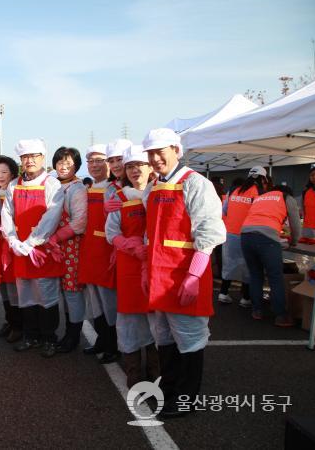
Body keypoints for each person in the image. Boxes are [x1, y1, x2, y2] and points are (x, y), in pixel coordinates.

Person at [141, 128, 225, 418]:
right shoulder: (152, 187)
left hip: (184, 275)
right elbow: (149, 235)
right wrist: (145, 270)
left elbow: (209, 233)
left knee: (189, 338)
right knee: (163, 336)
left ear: (176, 149)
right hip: (158, 276)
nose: (154, 158)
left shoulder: (196, 184)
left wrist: (193, 276)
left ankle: (186, 397)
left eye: (159, 151)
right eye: (150, 153)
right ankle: (169, 388)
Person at [1, 139, 65, 358]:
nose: (29, 161)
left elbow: (51, 217)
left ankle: (49, 338)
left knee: (46, 296)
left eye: (34, 157)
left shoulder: (51, 184)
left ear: (42, 158)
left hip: (41, 250)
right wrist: (13, 241)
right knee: (26, 295)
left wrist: (30, 243)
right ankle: (31, 336)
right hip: (19, 249)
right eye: (25, 157)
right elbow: (6, 214)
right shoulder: (13, 184)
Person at [105, 145, 159, 387]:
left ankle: (157, 370)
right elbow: (111, 233)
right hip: (129, 266)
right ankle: (134, 371)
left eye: (140, 165)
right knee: (129, 319)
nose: (135, 170)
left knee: (157, 318)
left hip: (156, 264)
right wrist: (129, 244)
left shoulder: (158, 193)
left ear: (150, 167)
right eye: (130, 166)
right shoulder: (120, 197)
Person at [79, 144, 120, 364]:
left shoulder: (115, 188)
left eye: (99, 160)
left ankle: (114, 345)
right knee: (95, 301)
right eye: (91, 161)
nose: (95, 165)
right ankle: (102, 340)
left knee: (109, 302)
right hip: (90, 251)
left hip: (107, 251)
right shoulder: (89, 188)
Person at [44, 147, 87, 353]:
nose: (63, 166)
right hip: (51, 246)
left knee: (71, 291)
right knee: (58, 290)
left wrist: (55, 238)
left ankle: (73, 335)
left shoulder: (77, 189)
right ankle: (66, 333)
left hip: (69, 245)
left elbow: (79, 223)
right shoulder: (52, 184)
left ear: (76, 166)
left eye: (69, 163)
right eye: (60, 162)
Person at [241, 183, 301, 326]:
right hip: (266, 239)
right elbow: (295, 223)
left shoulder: (261, 197)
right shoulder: (286, 197)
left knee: (255, 274)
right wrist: (294, 241)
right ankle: (281, 315)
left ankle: (257, 310)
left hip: (245, 236)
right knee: (275, 277)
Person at [218, 167, 268, 307]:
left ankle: (223, 293)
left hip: (230, 232)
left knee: (229, 264)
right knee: (248, 266)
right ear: (262, 178)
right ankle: (245, 298)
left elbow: (225, 209)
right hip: (248, 234)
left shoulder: (234, 189)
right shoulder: (259, 193)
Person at [0, 155, 23, 343]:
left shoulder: (16, 190)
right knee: (1, 283)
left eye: (4, 172)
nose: (0, 176)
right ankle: (10, 320)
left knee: (13, 284)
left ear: (12, 173)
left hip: (11, 242)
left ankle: (19, 324)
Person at [300, 164, 315, 243]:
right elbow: (303, 209)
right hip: (308, 229)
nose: (314, 177)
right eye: (312, 175)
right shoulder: (306, 192)